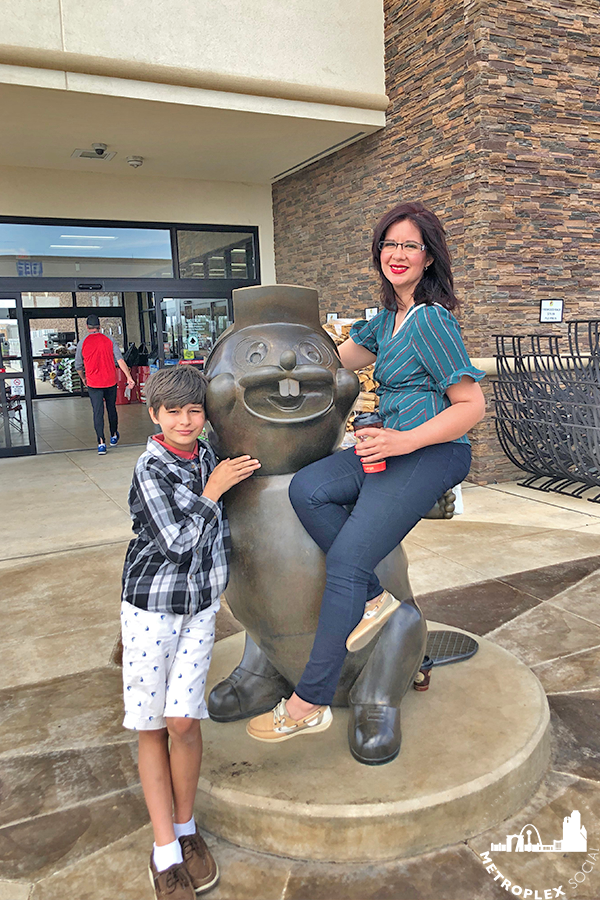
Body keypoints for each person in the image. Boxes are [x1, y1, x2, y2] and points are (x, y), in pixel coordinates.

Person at [246, 201, 486, 744]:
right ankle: (375, 598)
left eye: (411, 246)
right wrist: (264, 357)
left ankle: (309, 702)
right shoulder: (383, 321)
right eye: (389, 244)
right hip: (388, 447)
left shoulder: (431, 320)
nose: (398, 254)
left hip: (431, 451)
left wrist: (403, 439)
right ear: (378, 252)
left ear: (429, 259)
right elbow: (328, 364)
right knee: (309, 488)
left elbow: (471, 406)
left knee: (349, 557)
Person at [121, 365, 260, 899]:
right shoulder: (151, 467)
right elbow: (176, 542)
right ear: (154, 415)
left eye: (194, 410)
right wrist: (214, 488)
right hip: (152, 609)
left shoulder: (206, 455)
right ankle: (164, 849)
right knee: (153, 726)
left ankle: (186, 826)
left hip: (199, 609)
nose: (185, 421)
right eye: (173, 412)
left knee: (184, 720)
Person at [74, 314, 135, 454]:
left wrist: (84, 378)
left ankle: (101, 443)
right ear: (99, 326)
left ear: (87, 327)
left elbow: (78, 365)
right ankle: (113, 435)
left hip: (93, 383)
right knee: (111, 408)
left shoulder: (82, 343)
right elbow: (120, 360)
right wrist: (129, 377)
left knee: (97, 412)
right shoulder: (109, 340)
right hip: (110, 381)